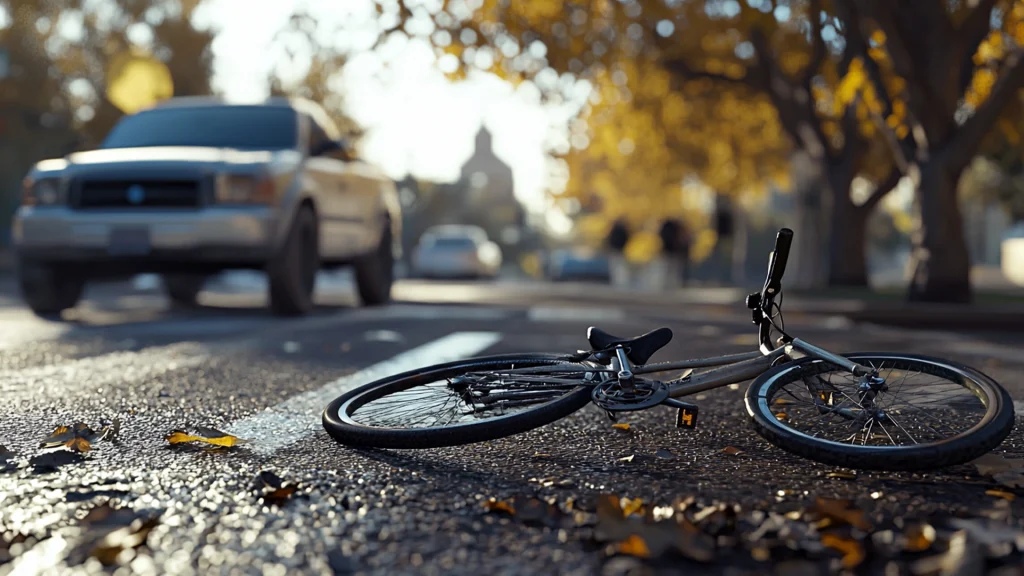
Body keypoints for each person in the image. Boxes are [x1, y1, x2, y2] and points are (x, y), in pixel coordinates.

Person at [606, 219, 630, 287]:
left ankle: (616, 281)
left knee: (615, 266)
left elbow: (610, 239)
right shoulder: (624, 230)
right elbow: (626, 239)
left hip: (615, 250)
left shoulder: (613, 230)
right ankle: (620, 281)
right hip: (620, 250)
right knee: (619, 266)